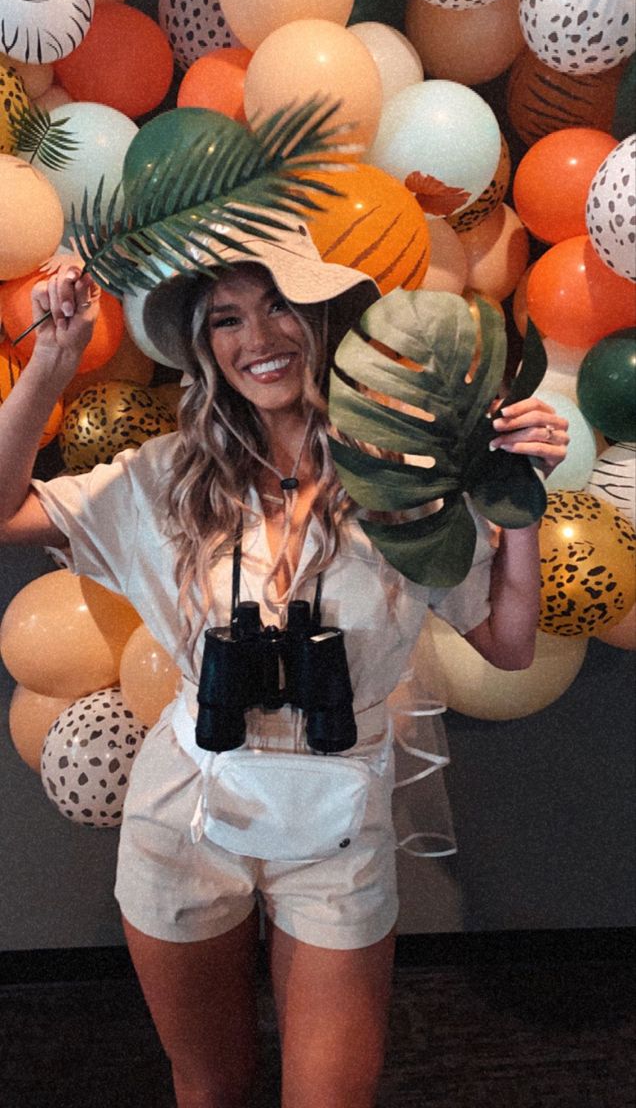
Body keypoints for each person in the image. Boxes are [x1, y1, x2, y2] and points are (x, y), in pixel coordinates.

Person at [0, 216, 568, 1108]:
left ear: (325, 318)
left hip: (338, 824)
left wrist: (518, 501)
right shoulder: (164, 477)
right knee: (211, 1087)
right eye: (225, 318)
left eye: (279, 307)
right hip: (181, 816)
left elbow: (509, 643)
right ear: (203, 343)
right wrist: (51, 364)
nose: (256, 339)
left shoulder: (402, 476)